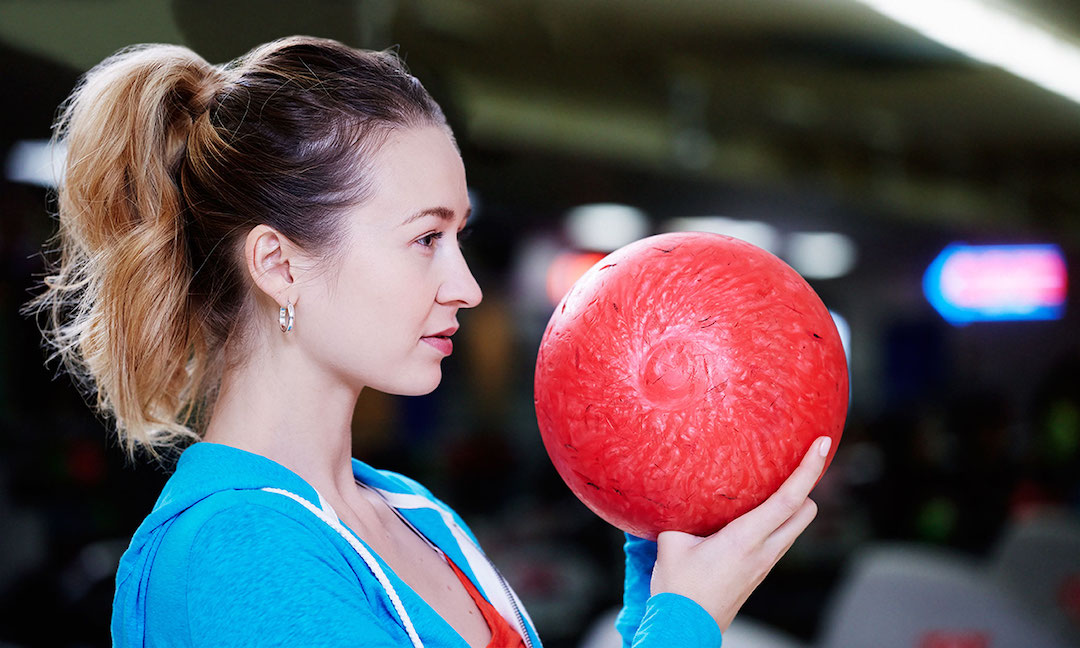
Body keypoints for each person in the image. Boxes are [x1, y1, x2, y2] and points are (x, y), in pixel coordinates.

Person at [24, 36, 829, 647]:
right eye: (424, 239)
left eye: (460, 236)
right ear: (278, 264)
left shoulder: (417, 515)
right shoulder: (231, 552)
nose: (468, 287)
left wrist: (649, 617)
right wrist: (688, 624)